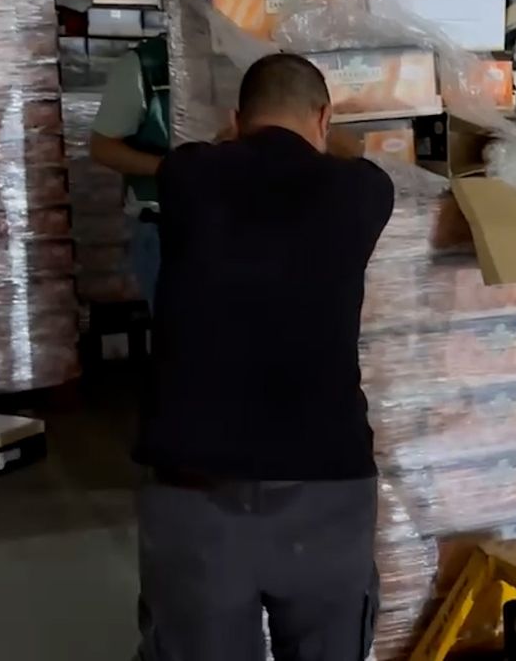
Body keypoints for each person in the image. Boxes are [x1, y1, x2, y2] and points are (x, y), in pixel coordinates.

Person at [134, 53, 395, 661]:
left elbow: (213, 151)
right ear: (324, 117)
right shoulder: (361, 192)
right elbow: (355, 155)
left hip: (193, 487)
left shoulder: (186, 176)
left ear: (235, 119)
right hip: (325, 483)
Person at [89, 36, 172, 306]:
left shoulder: (250, 55)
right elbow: (103, 147)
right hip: (166, 230)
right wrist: (173, 169)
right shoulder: (145, 66)